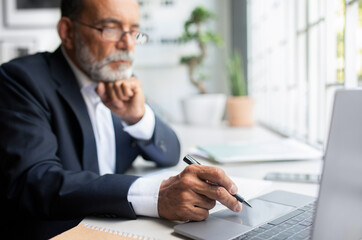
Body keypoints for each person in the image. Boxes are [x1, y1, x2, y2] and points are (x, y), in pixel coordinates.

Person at [0, 0, 242, 239]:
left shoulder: (119, 79)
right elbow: (35, 181)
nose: (127, 44)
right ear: (68, 32)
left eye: (133, 31)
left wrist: (138, 117)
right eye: (111, 29)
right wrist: (156, 195)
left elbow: (169, 151)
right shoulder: (21, 80)